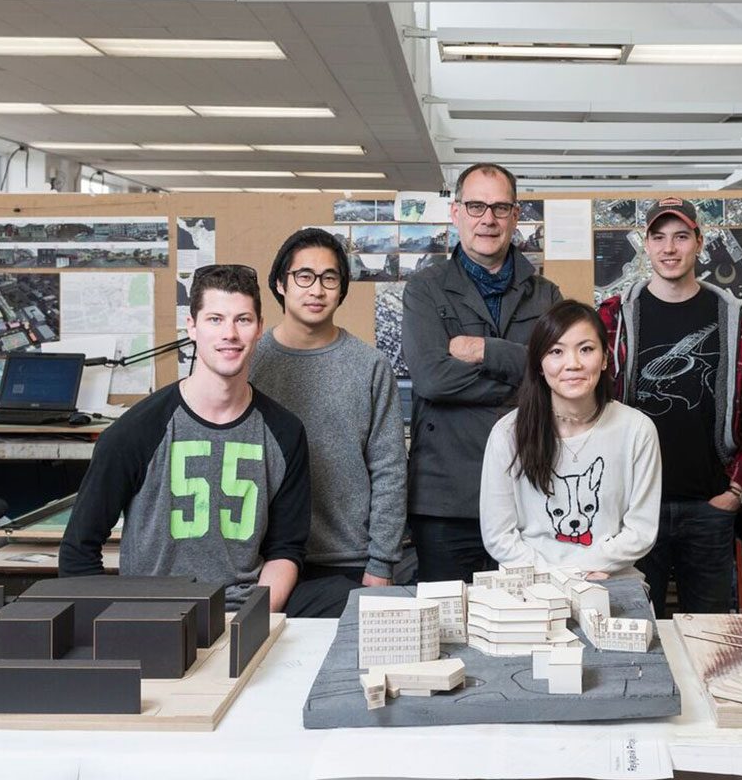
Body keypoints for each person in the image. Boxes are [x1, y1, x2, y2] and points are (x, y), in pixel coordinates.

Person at [60, 264, 319, 614]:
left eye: (242, 319)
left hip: (241, 617)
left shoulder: (285, 433)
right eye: (215, 319)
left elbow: (285, 550)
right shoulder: (136, 431)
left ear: (259, 329)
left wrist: (250, 624)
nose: (230, 333)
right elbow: (78, 552)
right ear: (192, 327)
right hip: (153, 619)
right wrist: (116, 626)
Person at [598, 197, 742, 615]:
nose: (669, 248)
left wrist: (736, 491)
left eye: (680, 236)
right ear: (646, 244)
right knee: (633, 628)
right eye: (658, 237)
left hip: (708, 507)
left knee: (711, 634)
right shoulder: (613, 317)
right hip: (634, 509)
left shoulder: (739, 320)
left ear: (699, 241)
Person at [403, 162, 562, 582]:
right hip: (447, 501)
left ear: (515, 215)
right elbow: (432, 379)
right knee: (448, 629)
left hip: (527, 496)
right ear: (456, 214)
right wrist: (523, 371)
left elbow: (557, 380)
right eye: (476, 206)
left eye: (499, 207)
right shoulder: (424, 289)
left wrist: (483, 349)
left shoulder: (546, 295)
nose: (487, 219)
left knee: (529, 626)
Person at [250, 228, 406, 602]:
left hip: (349, 560)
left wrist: (381, 564)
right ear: (280, 284)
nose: (316, 290)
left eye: (329, 278)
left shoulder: (369, 366)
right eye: (304, 276)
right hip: (261, 562)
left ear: (341, 288)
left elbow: (390, 470)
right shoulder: (251, 362)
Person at [480, 300, 661, 578]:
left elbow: (641, 530)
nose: (573, 364)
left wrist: (588, 568)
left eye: (586, 349)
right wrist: (553, 575)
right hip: (531, 584)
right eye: (556, 351)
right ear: (540, 364)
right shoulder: (508, 433)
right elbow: (498, 535)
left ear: (604, 359)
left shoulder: (637, 429)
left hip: (609, 579)